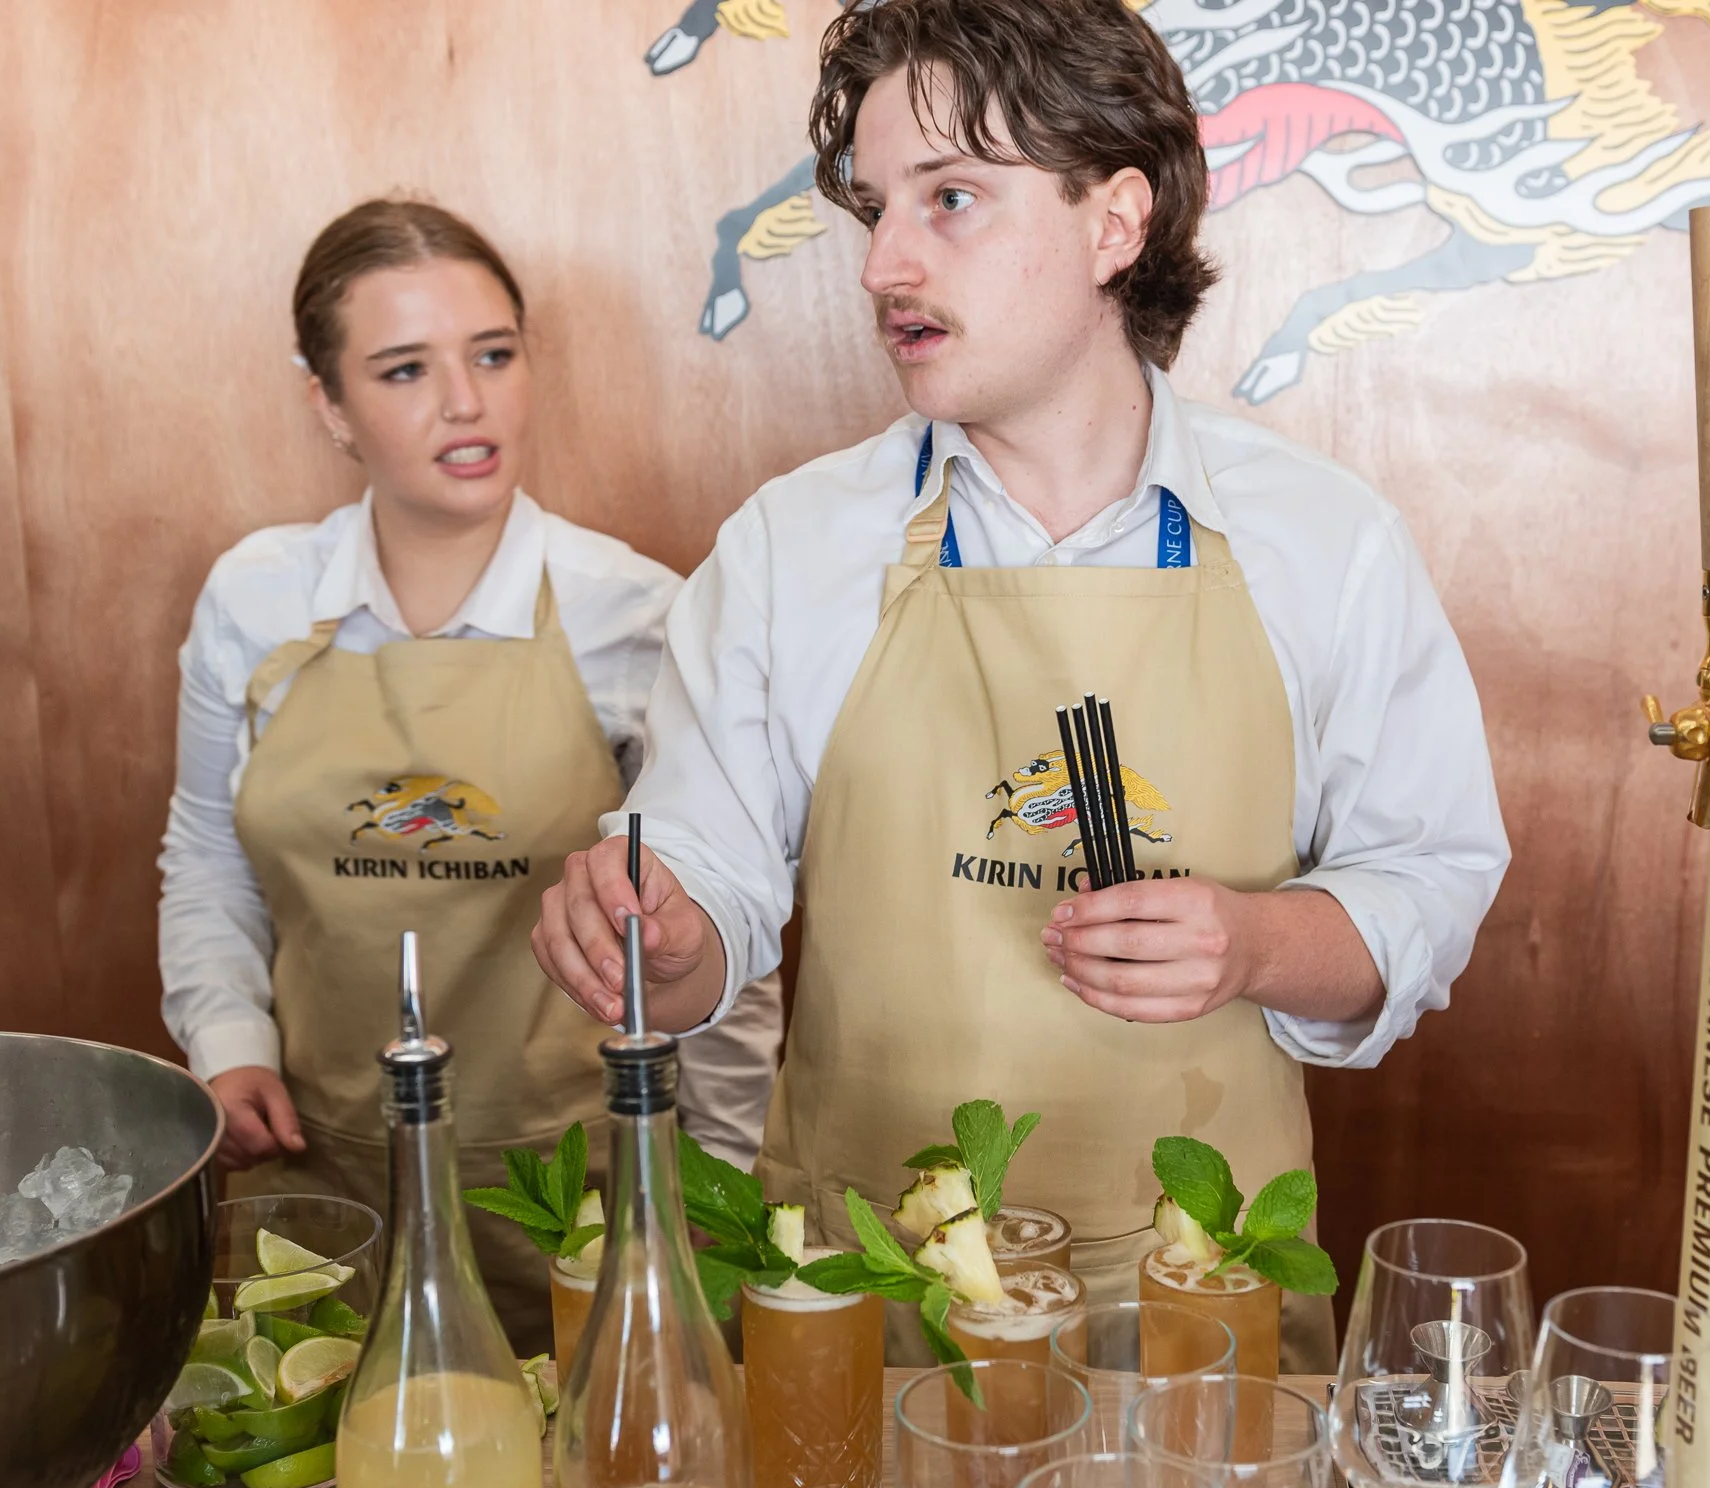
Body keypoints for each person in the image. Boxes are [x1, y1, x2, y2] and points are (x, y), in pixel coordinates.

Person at [530, 0, 1507, 1370]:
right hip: (863, 1316)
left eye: (953, 200)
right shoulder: (785, 550)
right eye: (877, 209)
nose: (885, 265)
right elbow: (703, 888)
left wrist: (1254, 942)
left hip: (1198, 1319)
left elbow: (1429, 882)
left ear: (1116, 222)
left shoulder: (1325, 542)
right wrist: (658, 934)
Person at [160, 199, 781, 1353]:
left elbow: (717, 929)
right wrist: (226, 1042)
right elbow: (205, 852)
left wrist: (713, 1183)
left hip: (582, 1196)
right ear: (327, 404)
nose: (465, 402)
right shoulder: (255, 603)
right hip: (320, 1187)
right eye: (403, 370)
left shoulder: (635, 617)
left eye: (493, 355)